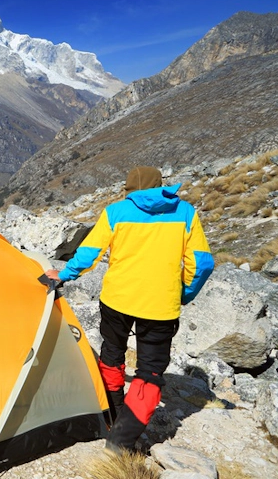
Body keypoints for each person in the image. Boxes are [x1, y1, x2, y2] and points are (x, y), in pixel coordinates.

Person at [45, 166, 214, 453]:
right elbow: (202, 263)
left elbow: (89, 253)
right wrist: (183, 294)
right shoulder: (185, 212)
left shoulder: (116, 211)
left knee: (112, 353)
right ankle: (121, 440)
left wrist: (64, 274)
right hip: (161, 306)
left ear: (129, 190)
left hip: (117, 300)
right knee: (149, 372)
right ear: (160, 186)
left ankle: (113, 414)